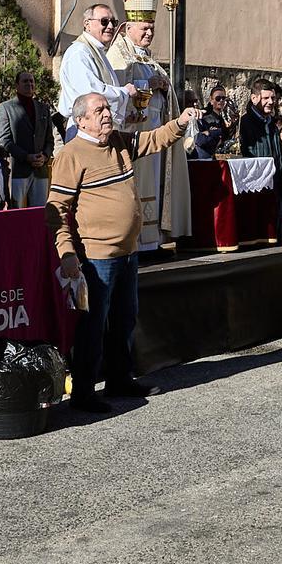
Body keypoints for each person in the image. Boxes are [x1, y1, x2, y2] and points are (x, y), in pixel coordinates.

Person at [44, 93, 198, 412]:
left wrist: (180, 123)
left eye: (107, 108)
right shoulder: (71, 155)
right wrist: (67, 253)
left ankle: (119, 379)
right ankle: (84, 391)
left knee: (124, 319)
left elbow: (154, 140)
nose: (106, 114)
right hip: (97, 257)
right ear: (81, 120)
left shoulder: (118, 141)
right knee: (93, 324)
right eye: (98, 110)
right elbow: (56, 209)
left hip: (128, 252)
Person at [108, 0, 192, 250]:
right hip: (134, 135)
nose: (149, 33)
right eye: (144, 28)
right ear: (129, 27)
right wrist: (148, 85)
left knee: (155, 186)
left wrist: (166, 91)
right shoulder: (118, 57)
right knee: (140, 185)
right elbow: (117, 89)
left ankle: (154, 239)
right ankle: (138, 241)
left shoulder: (150, 59)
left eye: (152, 28)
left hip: (156, 133)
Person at [58, 3, 140, 137]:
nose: (110, 26)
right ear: (87, 24)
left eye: (113, 22)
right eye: (104, 21)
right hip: (83, 131)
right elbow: (90, 93)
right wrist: (125, 91)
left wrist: (123, 117)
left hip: (98, 129)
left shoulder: (98, 51)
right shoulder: (79, 52)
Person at [239, 78, 282, 244]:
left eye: (273, 98)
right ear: (254, 98)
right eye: (266, 98)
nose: (271, 102)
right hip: (255, 188)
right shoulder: (245, 123)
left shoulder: (272, 123)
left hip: (275, 185)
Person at [0, 71, 53, 208]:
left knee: (39, 213)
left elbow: (49, 139)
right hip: (17, 170)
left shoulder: (43, 108)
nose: (29, 84)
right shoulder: (5, 108)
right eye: (25, 81)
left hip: (40, 170)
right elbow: (3, 140)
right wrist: (26, 157)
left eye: (32, 81)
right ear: (17, 85)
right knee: (16, 212)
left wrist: (44, 156)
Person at [192, 86, 230, 159]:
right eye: (218, 98)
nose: (221, 100)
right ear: (211, 100)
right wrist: (216, 132)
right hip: (203, 158)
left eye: (223, 98)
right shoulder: (204, 117)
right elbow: (200, 140)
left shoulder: (222, 118)